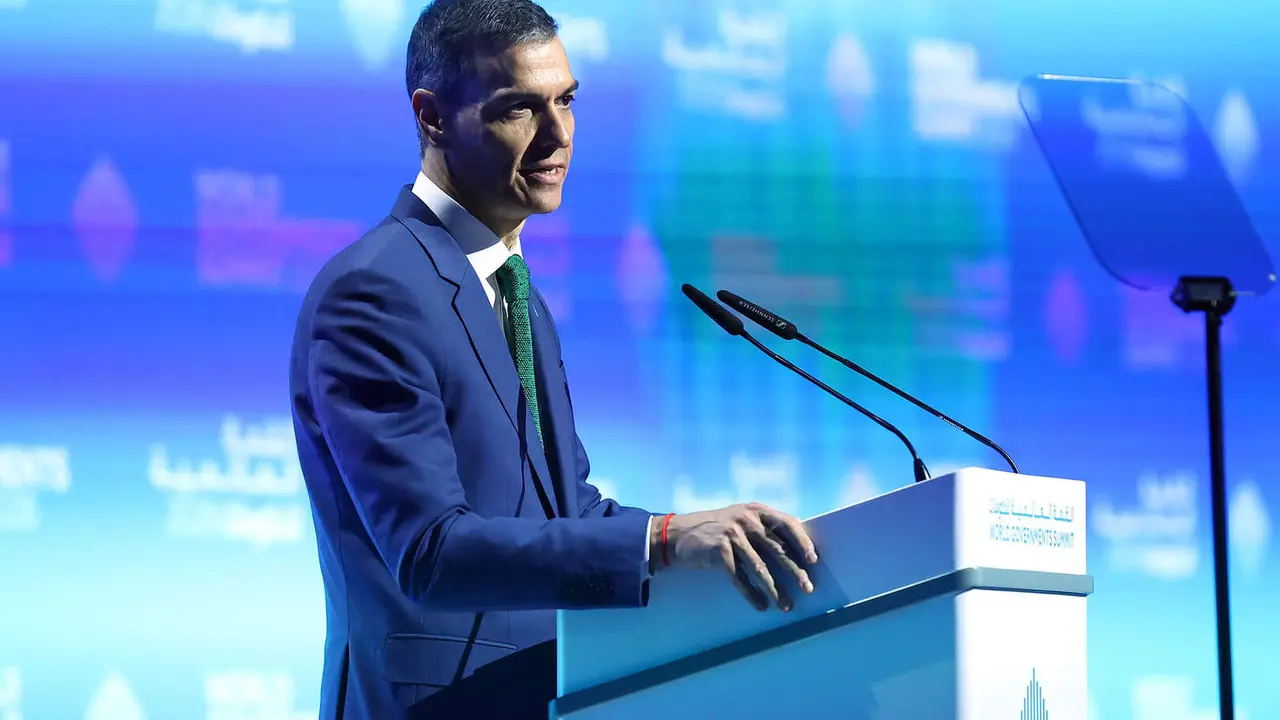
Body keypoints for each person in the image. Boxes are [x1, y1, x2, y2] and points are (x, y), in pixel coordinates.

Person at [289, 1, 818, 717]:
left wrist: (705, 535)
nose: (559, 134)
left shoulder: (518, 295)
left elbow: (567, 509)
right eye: (520, 109)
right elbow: (429, 552)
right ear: (432, 116)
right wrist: (661, 541)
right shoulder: (375, 290)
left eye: (566, 101)